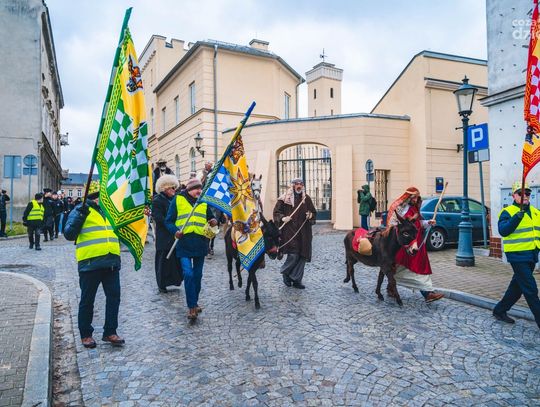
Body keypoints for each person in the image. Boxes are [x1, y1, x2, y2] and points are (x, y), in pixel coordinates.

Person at [64, 189, 125, 348]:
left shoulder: (110, 211)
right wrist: (80, 215)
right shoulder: (80, 210)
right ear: (96, 198)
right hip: (90, 263)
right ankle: (86, 334)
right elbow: (69, 234)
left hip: (111, 262)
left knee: (114, 298)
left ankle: (110, 331)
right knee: (87, 300)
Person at [165, 177, 217, 320]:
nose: (199, 191)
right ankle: (192, 307)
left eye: (200, 188)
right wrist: (175, 231)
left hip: (200, 243)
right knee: (188, 274)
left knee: (197, 276)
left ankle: (194, 302)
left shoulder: (203, 201)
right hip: (183, 243)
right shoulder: (177, 200)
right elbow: (168, 221)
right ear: (189, 190)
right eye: (196, 189)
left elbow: (211, 218)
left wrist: (213, 221)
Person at [493, 181, 540, 328]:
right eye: (521, 193)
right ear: (514, 195)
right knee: (531, 289)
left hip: (532, 255)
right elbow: (503, 231)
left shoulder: (536, 212)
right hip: (517, 256)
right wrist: (517, 217)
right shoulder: (507, 212)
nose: (525, 196)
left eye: (528, 193)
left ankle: (499, 310)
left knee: (517, 287)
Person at [387, 187, 444, 303]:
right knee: (398, 267)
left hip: (417, 244)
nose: (415, 199)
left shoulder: (415, 209)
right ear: (408, 197)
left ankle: (427, 293)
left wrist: (428, 222)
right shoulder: (401, 210)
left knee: (420, 266)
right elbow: (394, 226)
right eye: (413, 197)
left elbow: (419, 224)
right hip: (406, 245)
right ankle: (391, 286)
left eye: (417, 197)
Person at [273, 178, 317, 289]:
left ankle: (296, 280)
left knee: (302, 256)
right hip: (290, 232)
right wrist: (282, 218)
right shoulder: (284, 199)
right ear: (293, 186)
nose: (299, 186)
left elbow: (313, 212)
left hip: (304, 233)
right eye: (297, 184)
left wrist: (310, 215)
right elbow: (276, 212)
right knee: (293, 255)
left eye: (301, 184)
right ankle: (285, 272)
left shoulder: (306, 199)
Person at [152, 174, 183, 293]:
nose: (174, 190)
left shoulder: (174, 199)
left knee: (174, 259)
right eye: (171, 188)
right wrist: (170, 225)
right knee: (163, 259)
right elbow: (158, 217)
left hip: (174, 232)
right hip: (164, 234)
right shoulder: (157, 200)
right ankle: (162, 284)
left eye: (174, 188)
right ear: (165, 188)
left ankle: (174, 280)